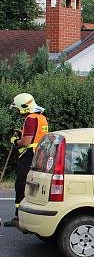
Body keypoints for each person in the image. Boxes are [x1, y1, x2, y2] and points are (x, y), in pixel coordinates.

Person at [5, 93, 48, 227]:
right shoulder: (42, 118)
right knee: (32, 186)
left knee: (20, 185)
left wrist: (16, 141)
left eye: (18, 108)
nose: (17, 111)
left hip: (29, 156)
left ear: (24, 106)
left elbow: (26, 142)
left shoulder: (30, 119)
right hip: (39, 155)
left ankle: (19, 218)